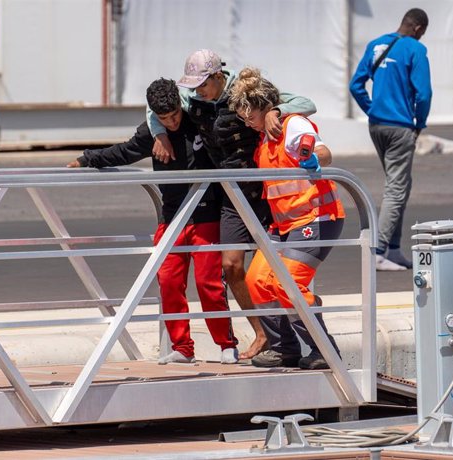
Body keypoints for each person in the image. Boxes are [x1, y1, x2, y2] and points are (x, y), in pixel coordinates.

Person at [146, 49, 317, 360]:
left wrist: (275, 111)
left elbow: (306, 104)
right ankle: (262, 332)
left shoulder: (244, 91)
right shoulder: (192, 100)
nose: (197, 92)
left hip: (263, 192)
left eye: (202, 85)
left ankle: (295, 340)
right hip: (231, 195)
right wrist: (159, 133)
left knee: (274, 270)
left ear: (217, 77)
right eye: (194, 87)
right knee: (231, 265)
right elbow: (155, 109)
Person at [68, 78, 239, 365]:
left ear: (180, 106)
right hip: (172, 217)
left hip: (207, 214)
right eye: (163, 118)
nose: (171, 122)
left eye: (174, 115)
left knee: (208, 282)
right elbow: (125, 151)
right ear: (154, 115)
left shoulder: (199, 118)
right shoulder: (153, 131)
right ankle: (183, 348)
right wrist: (87, 159)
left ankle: (226, 344)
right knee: (169, 281)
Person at [228, 67, 344, 370]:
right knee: (256, 282)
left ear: (265, 108)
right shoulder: (265, 138)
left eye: (250, 117)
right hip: (285, 225)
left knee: (288, 285)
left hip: (316, 218)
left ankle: (324, 351)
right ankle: (284, 349)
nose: (247, 124)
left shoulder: (291, 125)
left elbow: (321, 149)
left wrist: (312, 157)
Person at [349, 8, 432, 271]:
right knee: (396, 189)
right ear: (418, 29)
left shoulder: (376, 44)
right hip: (400, 127)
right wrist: (420, 123)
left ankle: (394, 250)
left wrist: (371, 108)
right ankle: (378, 250)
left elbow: (356, 85)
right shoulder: (415, 50)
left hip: (377, 126)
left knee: (401, 184)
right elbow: (424, 94)